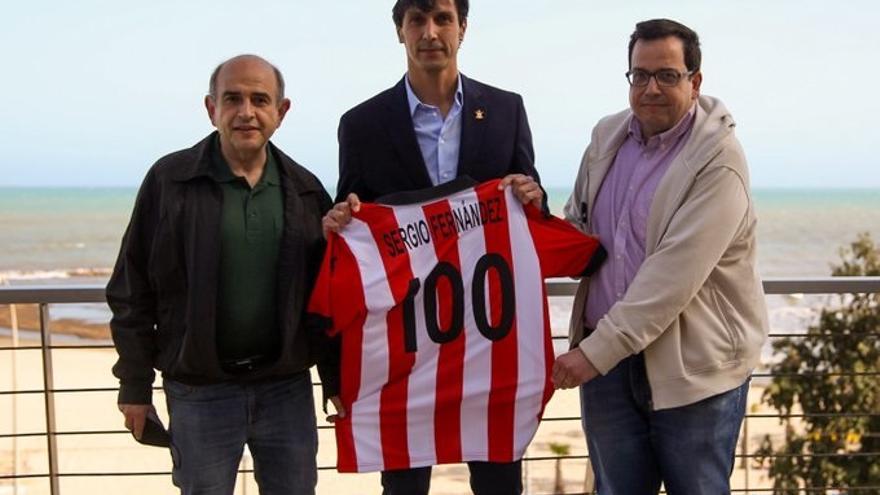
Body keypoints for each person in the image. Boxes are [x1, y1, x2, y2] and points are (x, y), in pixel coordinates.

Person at [322, 1, 543, 493]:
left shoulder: (506, 109)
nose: (430, 32)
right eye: (417, 20)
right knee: (402, 483)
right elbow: (353, 219)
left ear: (462, 29)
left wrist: (533, 195)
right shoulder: (361, 124)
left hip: (489, 330)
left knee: (499, 479)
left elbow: (530, 199)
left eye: (442, 19)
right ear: (399, 30)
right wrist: (341, 219)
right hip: (404, 334)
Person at [551, 19, 769, 494]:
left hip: (693, 371)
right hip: (607, 365)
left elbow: (672, 276)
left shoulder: (720, 160)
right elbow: (581, 229)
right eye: (640, 75)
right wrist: (527, 213)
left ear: (695, 82)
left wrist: (591, 355)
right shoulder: (606, 138)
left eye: (667, 75)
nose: (651, 87)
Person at [106, 54, 335, 495]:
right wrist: (134, 386)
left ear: (280, 112)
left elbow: (326, 298)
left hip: (285, 390)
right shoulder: (170, 181)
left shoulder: (305, 190)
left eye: (259, 99)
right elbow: (132, 289)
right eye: (232, 99)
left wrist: (336, 380)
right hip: (199, 392)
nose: (246, 111)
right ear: (211, 108)